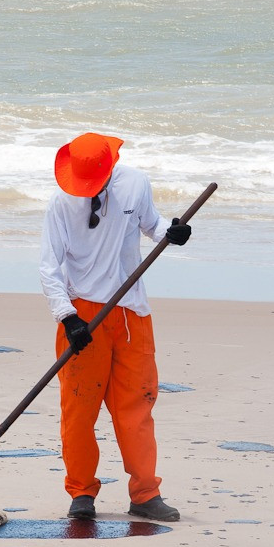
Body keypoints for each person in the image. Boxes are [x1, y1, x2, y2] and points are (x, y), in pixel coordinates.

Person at [38, 132, 191, 522]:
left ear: (109, 167)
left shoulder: (135, 183)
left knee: (136, 407)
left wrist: (171, 233)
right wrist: (67, 316)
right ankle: (81, 492)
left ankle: (145, 494)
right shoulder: (61, 203)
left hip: (130, 313)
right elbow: (49, 267)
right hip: (82, 316)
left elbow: (152, 225)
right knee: (78, 410)